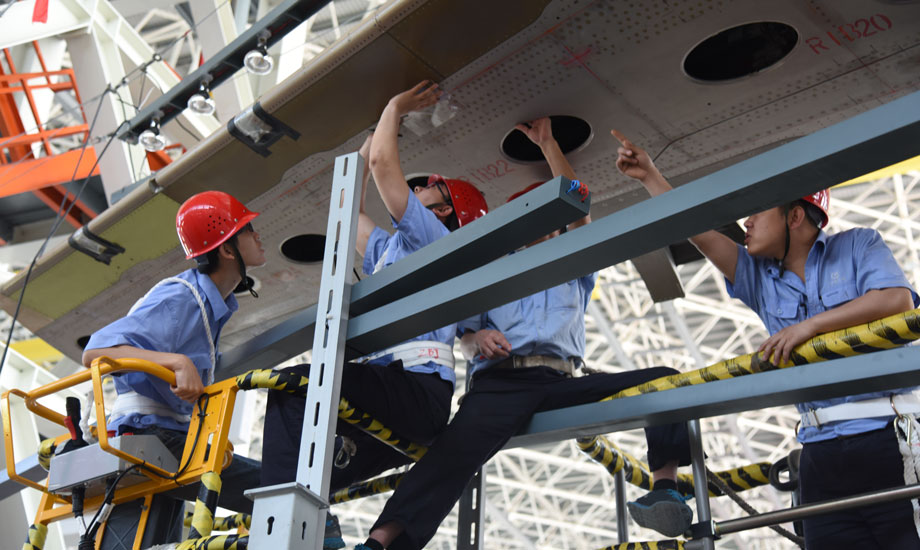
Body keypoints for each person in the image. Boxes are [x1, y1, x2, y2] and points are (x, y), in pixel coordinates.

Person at [355, 118, 693, 550]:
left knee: (664, 379)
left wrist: (549, 145)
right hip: (502, 383)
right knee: (451, 458)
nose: (551, 226)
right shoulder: (491, 273)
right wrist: (477, 341)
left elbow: (578, 202)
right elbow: (464, 332)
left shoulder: (574, 270)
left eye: (554, 219)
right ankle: (382, 542)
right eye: (538, 216)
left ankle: (664, 484)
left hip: (559, 380)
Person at [613, 129, 920, 548]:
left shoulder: (858, 245)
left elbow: (897, 301)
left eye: (758, 213)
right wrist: (650, 176)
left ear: (795, 217)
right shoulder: (758, 279)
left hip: (889, 439)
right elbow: (696, 231)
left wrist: (810, 326)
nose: (746, 223)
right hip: (819, 456)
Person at [258, 81, 488, 549]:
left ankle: (292, 523)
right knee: (291, 398)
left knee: (296, 388)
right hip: (392, 393)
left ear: (448, 212)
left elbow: (386, 168)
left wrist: (395, 106)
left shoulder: (438, 242)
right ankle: (306, 525)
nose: (420, 185)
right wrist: (365, 148)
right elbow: (344, 211)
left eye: (432, 189)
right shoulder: (392, 249)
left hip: (416, 391)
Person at [82, 191, 265, 540]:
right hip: (153, 438)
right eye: (247, 229)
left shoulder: (211, 305)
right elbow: (94, 352)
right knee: (278, 485)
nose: (257, 235)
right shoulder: (182, 298)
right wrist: (175, 362)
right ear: (227, 250)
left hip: (168, 441)